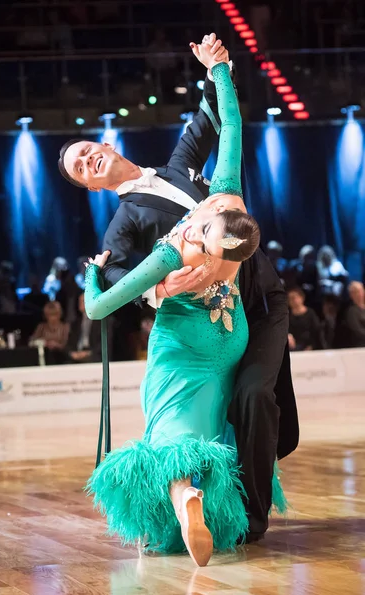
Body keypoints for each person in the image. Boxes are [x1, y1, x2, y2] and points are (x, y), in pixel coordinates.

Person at [58, 34, 298, 543]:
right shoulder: (123, 225)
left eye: (86, 152)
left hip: (260, 296)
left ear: (105, 144)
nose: (88, 162)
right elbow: (126, 287)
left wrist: (217, 68)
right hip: (207, 315)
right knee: (241, 402)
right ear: (89, 188)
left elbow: (215, 120)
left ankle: (215, 507)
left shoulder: (179, 166)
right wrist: (162, 288)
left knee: (245, 404)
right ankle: (244, 521)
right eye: (80, 170)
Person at [287, 287, 323, 351]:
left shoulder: (310, 313)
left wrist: (312, 346)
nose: (292, 301)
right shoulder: (287, 315)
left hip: (309, 346)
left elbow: (317, 331)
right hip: (293, 347)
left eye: (294, 298)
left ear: (302, 298)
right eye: (289, 299)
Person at [342, 281, 365, 347]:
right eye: (356, 292)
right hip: (360, 345)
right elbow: (357, 330)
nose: (359, 294)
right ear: (351, 295)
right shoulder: (352, 311)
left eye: (361, 291)